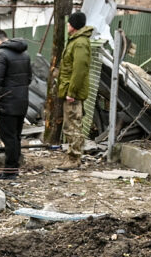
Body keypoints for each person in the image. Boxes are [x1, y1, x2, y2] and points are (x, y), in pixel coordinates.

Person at [0, 30, 32, 180]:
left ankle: (10, 171)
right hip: (22, 101)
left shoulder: (1, 54)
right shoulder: (25, 54)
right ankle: (13, 168)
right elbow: (29, 78)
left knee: (8, 137)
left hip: (8, 103)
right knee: (16, 136)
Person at [56, 12, 92, 169]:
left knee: (73, 126)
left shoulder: (80, 43)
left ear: (74, 25)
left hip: (73, 93)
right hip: (69, 90)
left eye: (69, 23)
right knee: (71, 124)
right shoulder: (76, 41)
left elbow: (79, 70)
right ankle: (72, 156)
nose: (67, 25)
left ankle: (74, 159)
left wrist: (72, 91)